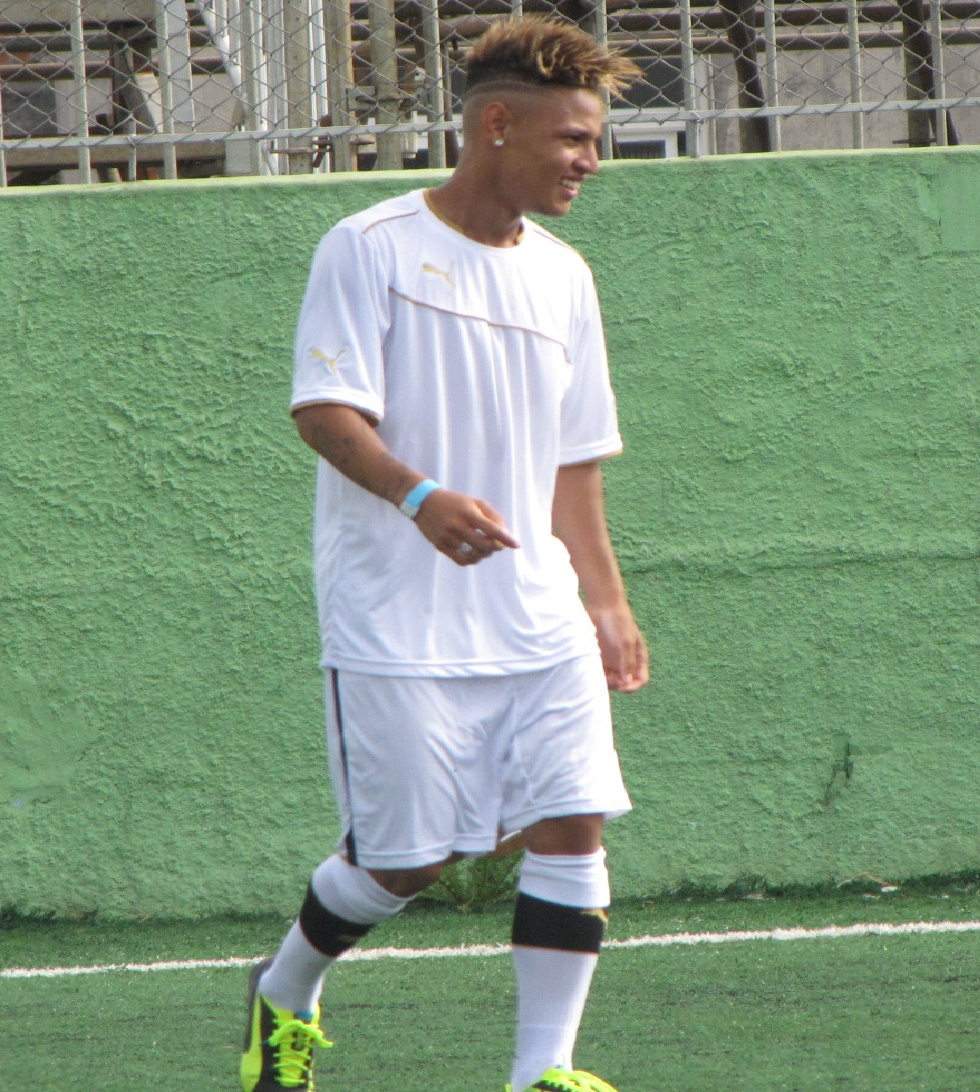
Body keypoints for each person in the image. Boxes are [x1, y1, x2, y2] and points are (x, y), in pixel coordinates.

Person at [240, 16, 648, 1092]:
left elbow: (574, 462)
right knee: (407, 862)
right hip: (397, 620)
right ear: (496, 125)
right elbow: (324, 410)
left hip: (537, 614)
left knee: (572, 821)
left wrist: (605, 603)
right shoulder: (368, 246)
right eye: (573, 139)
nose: (590, 162)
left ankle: (542, 1071)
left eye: (596, 140)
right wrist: (417, 497)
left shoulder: (565, 277)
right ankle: (283, 986)